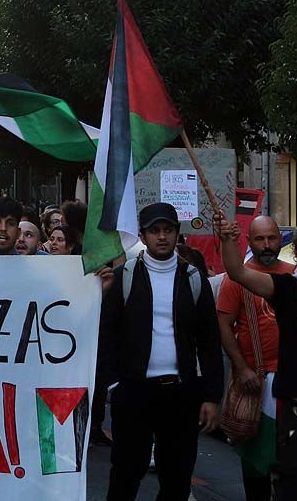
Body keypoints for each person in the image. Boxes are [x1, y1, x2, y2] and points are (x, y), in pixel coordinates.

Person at [98, 202, 222, 501]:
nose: (162, 237)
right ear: (143, 235)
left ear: (177, 234)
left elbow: (209, 341)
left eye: (168, 230)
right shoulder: (125, 277)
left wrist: (210, 396)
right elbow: (107, 335)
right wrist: (114, 384)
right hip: (134, 393)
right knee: (126, 474)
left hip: (180, 394)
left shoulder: (193, 279)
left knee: (177, 478)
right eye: (155, 231)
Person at [216, 213, 297, 501]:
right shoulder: (289, 288)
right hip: (286, 400)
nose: (266, 244)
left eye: (272, 238)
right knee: (275, 471)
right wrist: (227, 240)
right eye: (260, 238)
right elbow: (236, 272)